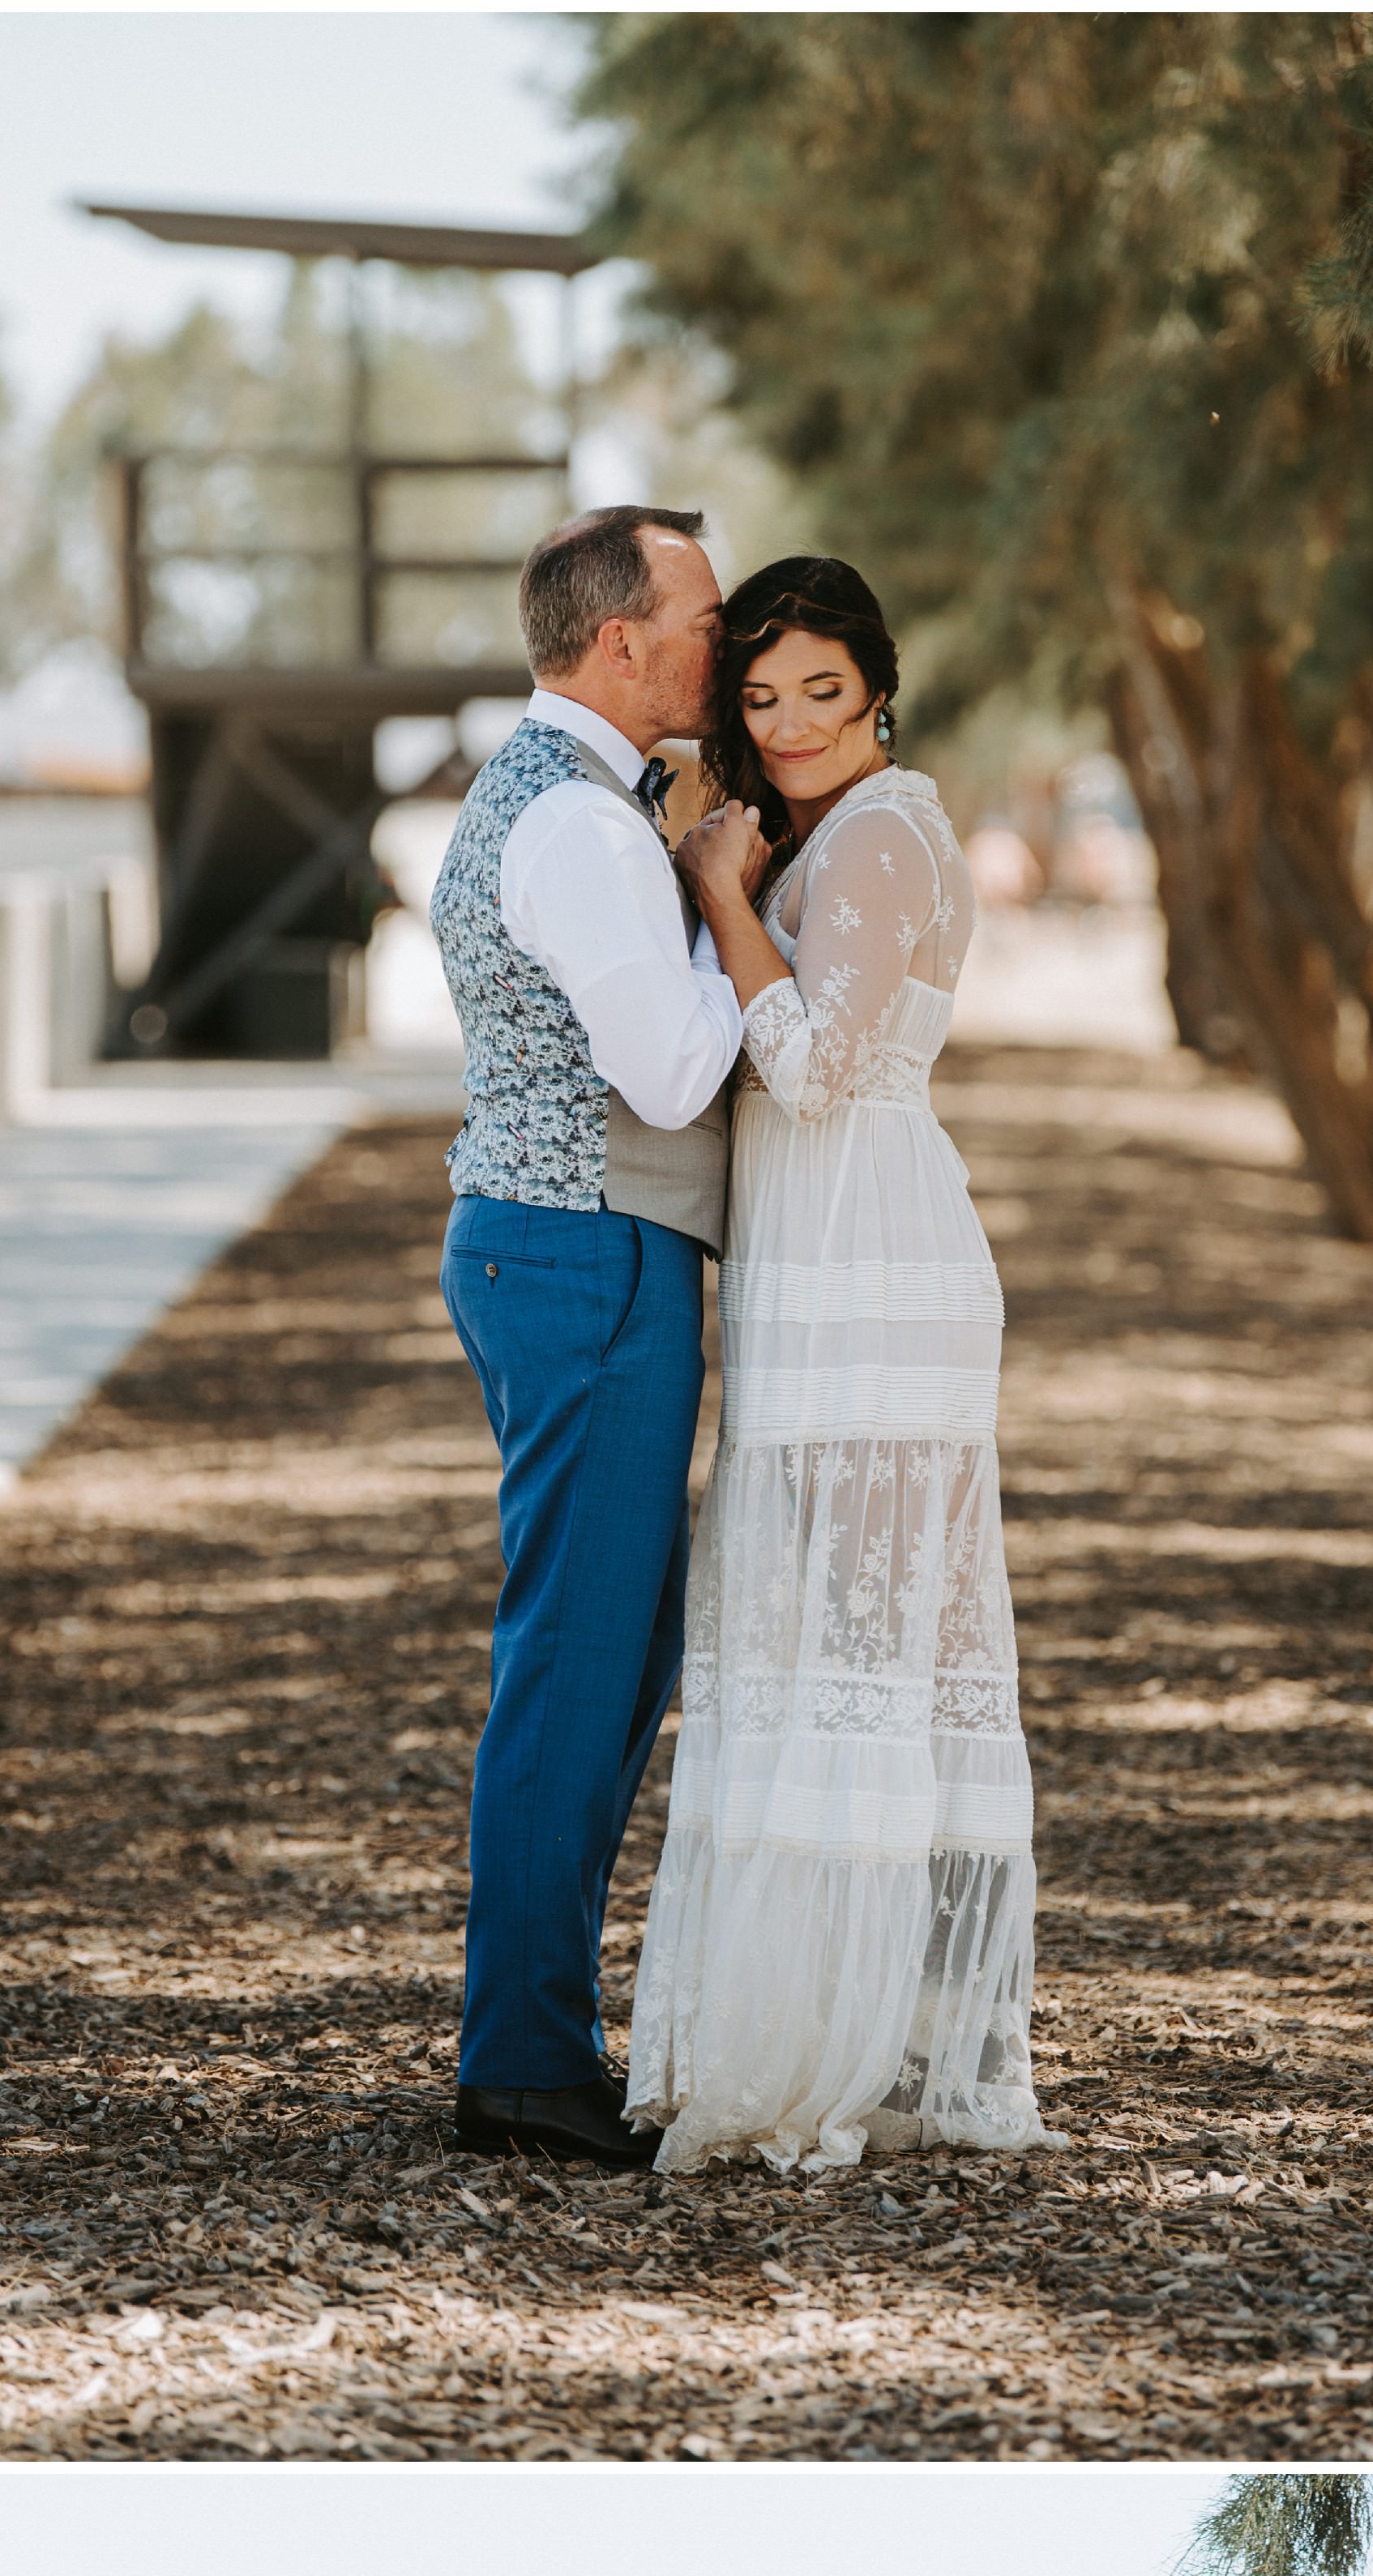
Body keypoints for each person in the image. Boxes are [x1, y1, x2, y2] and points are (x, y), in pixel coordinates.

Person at [624, 554, 1042, 2172]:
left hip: (878, 1277)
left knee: (859, 1660)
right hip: (824, 1272)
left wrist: (721, 891)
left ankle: (865, 2046)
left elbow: (810, 1065)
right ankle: (883, 2033)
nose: (789, 724)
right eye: (759, 695)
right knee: (840, 1653)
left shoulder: (874, 834)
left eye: (819, 689)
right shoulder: (847, 828)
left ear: (876, 684)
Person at [431, 505, 747, 2176]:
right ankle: (524, 2057)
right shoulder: (587, 830)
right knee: (575, 1658)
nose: (728, 641)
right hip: (589, 1257)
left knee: (607, 1658)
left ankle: (537, 2038)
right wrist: (724, 897)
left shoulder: (553, 799)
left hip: (562, 1249)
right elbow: (682, 1074)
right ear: (620, 641)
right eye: (702, 615)